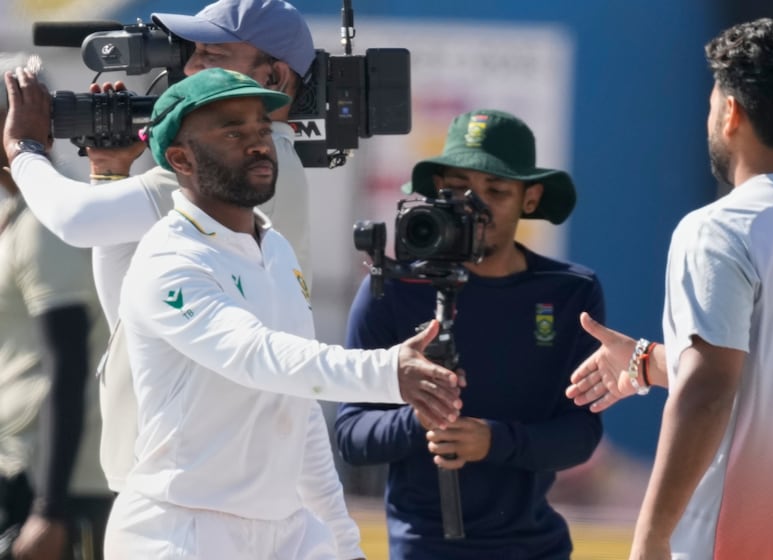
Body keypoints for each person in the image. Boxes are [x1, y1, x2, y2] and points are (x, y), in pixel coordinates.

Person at [6, 67, 462, 559]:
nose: (258, 143)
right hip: (180, 533)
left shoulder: (275, 249)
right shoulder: (170, 258)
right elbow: (257, 355)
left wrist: (342, 543)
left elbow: (300, 410)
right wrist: (387, 370)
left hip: (285, 529)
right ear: (180, 158)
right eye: (232, 131)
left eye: (262, 129)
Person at [565, 18, 773, 560]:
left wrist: (651, 535)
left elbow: (709, 390)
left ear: (730, 112)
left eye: (714, 102)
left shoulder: (717, 228)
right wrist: (648, 362)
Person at [335, 109, 605, 559]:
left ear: (531, 198)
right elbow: (351, 434)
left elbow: (580, 433)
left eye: (495, 191)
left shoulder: (570, 292)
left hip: (537, 549)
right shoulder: (394, 290)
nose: (472, 206)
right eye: (456, 189)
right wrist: (416, 416)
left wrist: (494, 440)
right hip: (422, 549)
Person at [6, 0, 315, 327]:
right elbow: (127, 313)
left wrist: (23, 148)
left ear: (275, 77)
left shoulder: (246, 162)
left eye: (213, 56)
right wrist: (110, 173)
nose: (193, 68)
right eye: (194, 53)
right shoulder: (266, 158)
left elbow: (75, 220)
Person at [0, 54, 112, 559]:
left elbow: (68, 365)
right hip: (22, 464)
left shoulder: (49, 219)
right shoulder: (17, 212)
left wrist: (51, 508)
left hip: (62, 484)